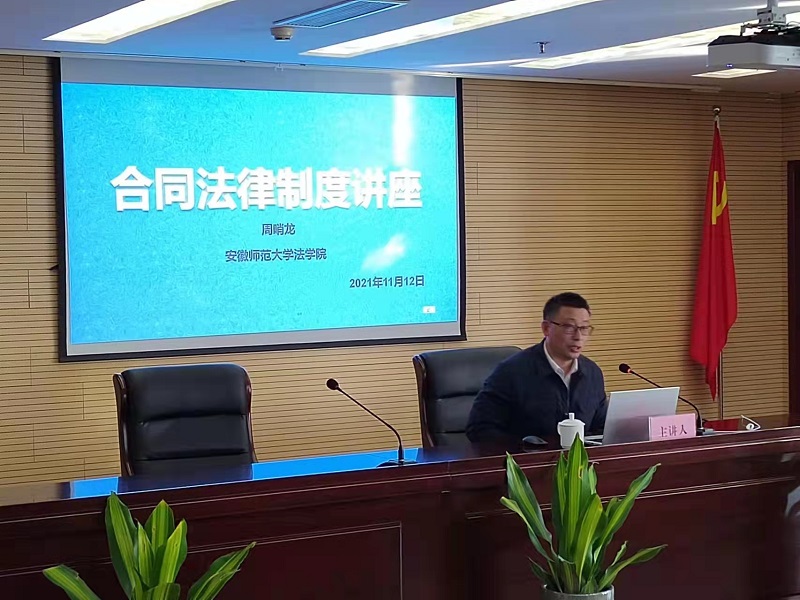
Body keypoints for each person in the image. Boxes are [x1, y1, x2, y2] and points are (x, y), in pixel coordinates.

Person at [466, 292, 607, 444]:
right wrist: (524, 447)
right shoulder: (511, 372)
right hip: (527, 457)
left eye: (584, 328)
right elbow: (479, 429)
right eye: (569, 327)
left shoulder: (592, 373)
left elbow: (601, 428)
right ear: (546, 328)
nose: (578, 337)